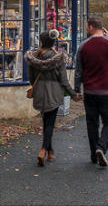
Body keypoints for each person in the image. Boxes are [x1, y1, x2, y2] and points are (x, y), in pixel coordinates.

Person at [74, 17, 108, 167]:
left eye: (87, 27)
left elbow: (79, 70)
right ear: (101, 28)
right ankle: (101, 147)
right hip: (107, 90)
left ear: (91, 27)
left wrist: (77, 89)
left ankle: (93, 154)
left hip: (90, 91)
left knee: (92, 123)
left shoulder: (83, 45)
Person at [25, 29, 79, 167]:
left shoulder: (33, 58)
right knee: (50, 123)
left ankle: (50, 151)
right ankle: (43, 150)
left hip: (40, 92)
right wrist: (73, 94)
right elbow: (64, 80)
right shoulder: (58, 58)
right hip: (54, 92)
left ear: (41, 42)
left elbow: (31, 78)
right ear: (53, 43)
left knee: (46, 121)